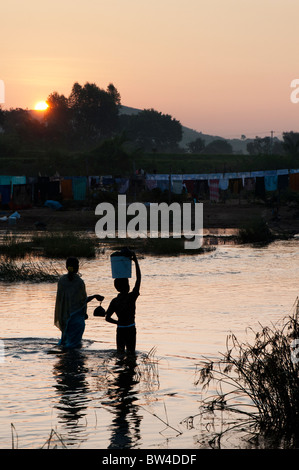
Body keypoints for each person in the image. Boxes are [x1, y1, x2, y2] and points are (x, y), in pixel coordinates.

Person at [54, 257, 104, 348]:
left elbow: (60, 301)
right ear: (77, 267)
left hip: (65, 318)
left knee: (65, 344)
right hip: (76, 319)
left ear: (66, 267)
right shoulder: (79, 282)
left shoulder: (61, 281)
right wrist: (94, 297)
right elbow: (82, 301)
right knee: (75, 347)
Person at [105, 251, 141, 355]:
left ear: (116, 287)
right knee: (131, 354)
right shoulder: (131, 297)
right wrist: (135, 261)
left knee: (120, 354)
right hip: (130, 328)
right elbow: (139, 278)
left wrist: (118, 322)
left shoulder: (115, 301)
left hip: (120, 330)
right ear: (128, 286)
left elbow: (107, 318)